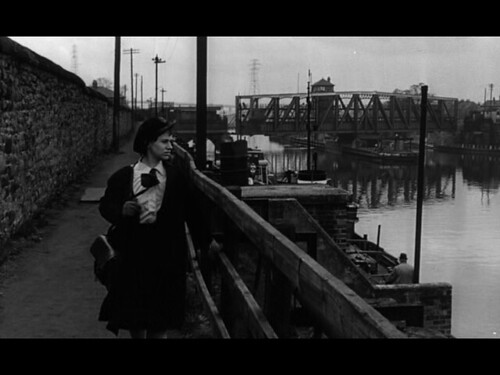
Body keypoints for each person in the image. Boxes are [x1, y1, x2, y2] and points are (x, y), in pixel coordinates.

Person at [98, 117, 189, 339]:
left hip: (166, 259)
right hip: (134, 259)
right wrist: (121, 210)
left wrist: (208, 242)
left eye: (171, 141)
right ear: (149, 143)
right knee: (136, 320)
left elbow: (193, 211)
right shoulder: (124, 177)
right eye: (164, 141)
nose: (170, 146)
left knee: (160, 325)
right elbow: (105, 206)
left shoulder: (176, 177)